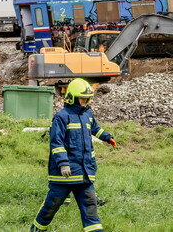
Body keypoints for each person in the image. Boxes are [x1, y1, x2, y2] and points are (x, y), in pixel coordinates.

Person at [31, 78, 116, 232]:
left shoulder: (88, 114)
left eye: (88, 98)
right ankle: (35, 229)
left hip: (84, 175)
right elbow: (56, 143)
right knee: (51, 207)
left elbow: (95, 128)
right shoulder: (61, 117)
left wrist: (107, 137)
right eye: (84, 98)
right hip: (63, 177)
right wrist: (63, 164)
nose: (88, 101)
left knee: (91, 208)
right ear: (72, 98)